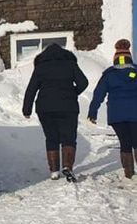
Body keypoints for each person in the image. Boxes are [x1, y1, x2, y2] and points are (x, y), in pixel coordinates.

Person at [22, 43, 89, 182]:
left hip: (45, 108)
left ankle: (54, 171)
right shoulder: (70, 65)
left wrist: (26, 109)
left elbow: (31, 89)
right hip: (68, 107)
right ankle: (68, 167)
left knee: (51, 138)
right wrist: (73, 93)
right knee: (69, 138)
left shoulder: (40, 68)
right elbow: (83, 82)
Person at [88, 39, 137, 179]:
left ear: (116, 58)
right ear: (129, 57)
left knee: (125, 142)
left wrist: (93, 113)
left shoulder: (108, 75)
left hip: (117, 116)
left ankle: (129, 173)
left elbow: (98, 94)